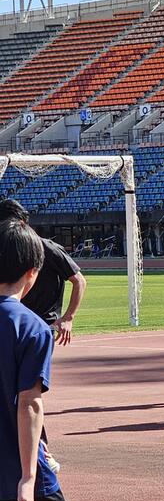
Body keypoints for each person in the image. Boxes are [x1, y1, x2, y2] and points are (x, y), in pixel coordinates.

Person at [0, 200, 87, 475]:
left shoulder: (45, 248)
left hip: (39, 326)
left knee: (26, 391)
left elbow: (79, 279)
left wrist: (68, 317)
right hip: (12, 319)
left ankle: (40, 451)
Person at [0, 219, 71, 501]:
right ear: (32, 272)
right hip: (17, 470)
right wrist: (29, 477)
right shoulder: (31, 327)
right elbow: (28, 403)